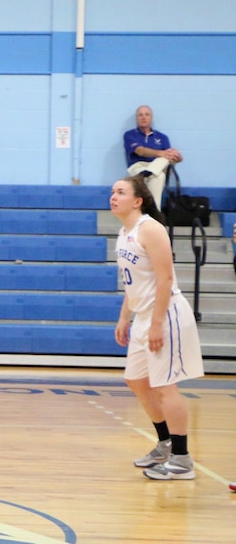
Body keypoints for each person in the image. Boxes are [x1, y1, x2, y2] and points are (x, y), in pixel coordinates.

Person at [111, 175, 204, 481]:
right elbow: (132, 283)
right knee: (136, 380)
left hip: (166, 315)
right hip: (143, 315)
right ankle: (165, 443)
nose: (113, 196)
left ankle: (181, 459)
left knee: (165, 387)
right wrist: (125, 317)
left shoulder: (150, 228)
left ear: (138, 200)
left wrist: (157, 324)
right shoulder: (124, 233)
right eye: (112, 192)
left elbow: (165, 280)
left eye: (120, 192)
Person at [124, 105, 183, 210]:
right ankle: (155, 213)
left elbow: (168, 156)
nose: (143, 117)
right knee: (160, 174)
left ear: (151, 118)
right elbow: (140, 151)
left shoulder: (162, 137)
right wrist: (160, 153)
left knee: (161, 169)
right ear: (136, 118)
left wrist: (177, 157)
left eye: (147, 114)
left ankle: (148, 173)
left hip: (156, 168)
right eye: (140, 115)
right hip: (138, 168)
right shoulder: (130, 135)